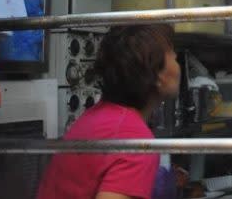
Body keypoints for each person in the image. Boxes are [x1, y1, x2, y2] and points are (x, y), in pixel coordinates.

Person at [37, 24, 181, 199]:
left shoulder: (98, 115)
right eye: (173, 55)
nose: (177, 60)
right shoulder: (135, 142)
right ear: (158, 75)